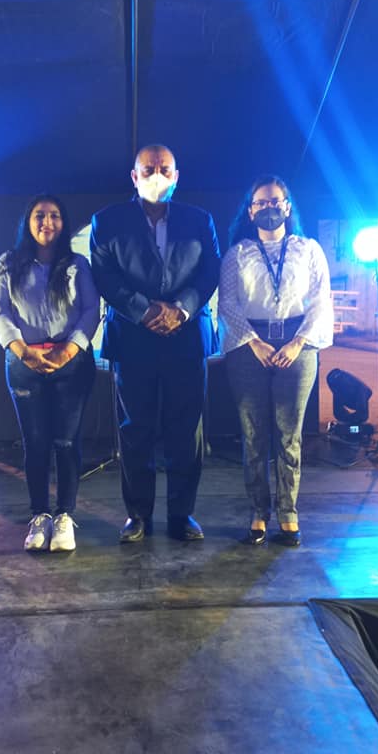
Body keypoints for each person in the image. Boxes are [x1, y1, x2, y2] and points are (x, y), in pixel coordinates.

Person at [90, 144, 220, 542]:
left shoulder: (199, 220)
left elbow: (210, 270)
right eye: (148, 169)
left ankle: (182, 515)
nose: (156, 176)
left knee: (186, 431)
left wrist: (181, 309)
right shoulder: (107, 221)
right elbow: (105, 277)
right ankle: (137, 516)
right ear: (134, 176)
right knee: (135, 431)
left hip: (186, 337)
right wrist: (145, 311)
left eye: (164, 169)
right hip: (133, 339)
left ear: (176, 176)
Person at [218, 175, 334, 547]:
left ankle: (288, 513)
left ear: (287, 206)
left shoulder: (308, 249)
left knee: (289, 434)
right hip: (249, 346)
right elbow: (228, 304)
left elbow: (321, 300)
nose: (269, 208)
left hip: (298, 345)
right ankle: (258, 512)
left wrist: (299, 342)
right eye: (261, 203)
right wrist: (254, 342)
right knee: (254, 435)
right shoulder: (237, 254)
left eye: (275, 201)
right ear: (250, 211)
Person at [0, 195, 100, 552]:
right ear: (28, 221)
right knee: (35, 444)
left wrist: (68, 350)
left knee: (66, 443)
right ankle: (40, 516)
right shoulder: (8, 263)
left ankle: (64, 516)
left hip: (71, 364)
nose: (47, 222)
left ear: (63, 223)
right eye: (39, 215)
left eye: (54, 216)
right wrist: (22, 351)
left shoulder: (78, 264)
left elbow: (91, 309)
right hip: (25, 364)